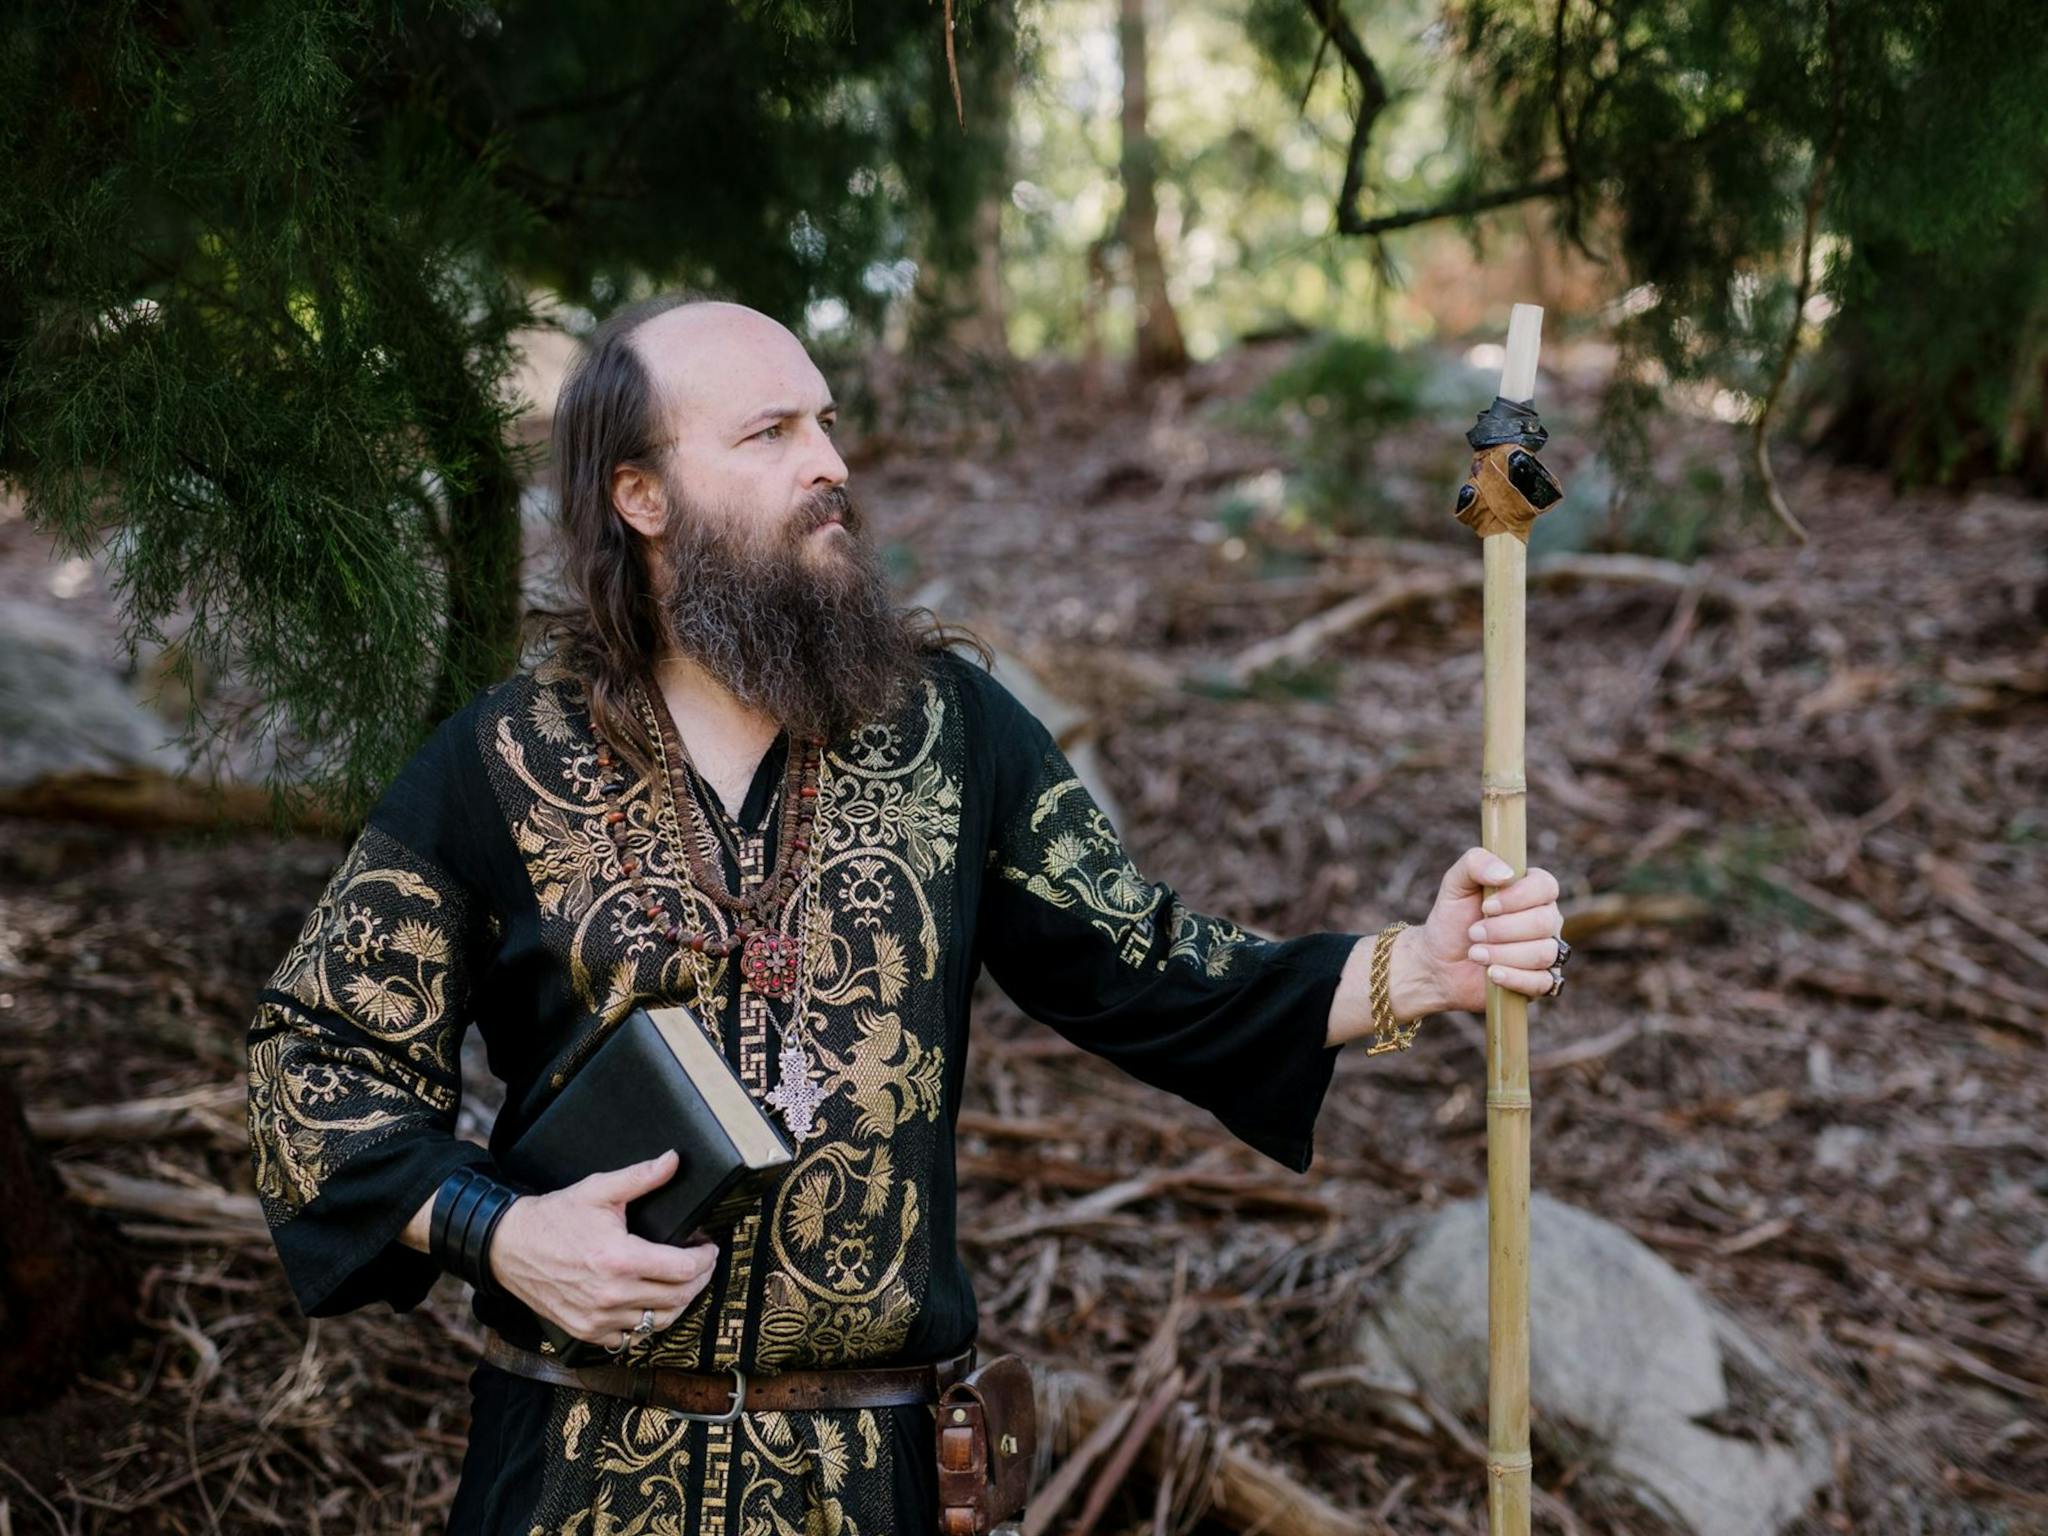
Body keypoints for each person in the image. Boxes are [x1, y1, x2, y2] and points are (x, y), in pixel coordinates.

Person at [243, 294, 1569, 1534]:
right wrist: (504, 1235)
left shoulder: (951, 736)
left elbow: (1149, 967)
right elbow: (317, 1063)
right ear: (640, 496)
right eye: (769, 433)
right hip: (572, 1475)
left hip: (870, 1484)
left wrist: (1420, 967)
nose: (829, 462)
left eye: (826, 421)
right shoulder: (504, 760)